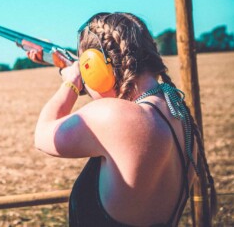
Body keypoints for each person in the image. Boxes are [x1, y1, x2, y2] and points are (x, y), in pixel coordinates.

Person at [28, 12, 216, 226]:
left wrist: (71, 82)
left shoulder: (116, 115)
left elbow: (43, 134)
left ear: (96, 67)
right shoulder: (177, 112)